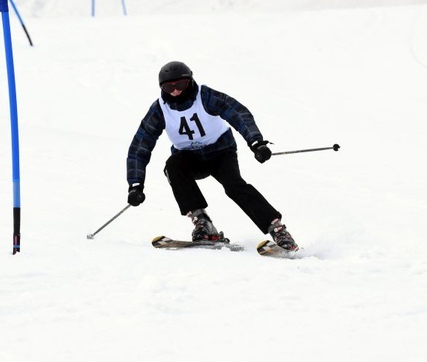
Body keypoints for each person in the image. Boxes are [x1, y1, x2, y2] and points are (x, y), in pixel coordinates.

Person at [126, 61, 298, 251]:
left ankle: (278, 229)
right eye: (168, 87)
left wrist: (256, 142)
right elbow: (140, 145)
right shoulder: (160, 109)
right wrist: (135, 184)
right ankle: (203, 223)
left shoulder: (205, 96)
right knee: (173, 166)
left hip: (221, 153)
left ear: (190, 81)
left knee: (234, 186)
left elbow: (238, 113)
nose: (175, 91)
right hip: (189, 158)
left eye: (180, 85)